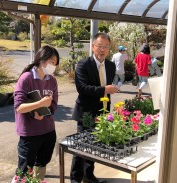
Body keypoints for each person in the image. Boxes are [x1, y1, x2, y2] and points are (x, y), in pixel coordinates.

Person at [70, 33, 118, 183]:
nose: (102, 49)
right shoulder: (83, 64)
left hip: (102, 112)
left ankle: (88, 175)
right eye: (99, 46)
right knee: (81, 147)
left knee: (94, 145)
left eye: (106, 47)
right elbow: (82, 88)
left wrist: (107, 92)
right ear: (92, 46)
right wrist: (105, 89)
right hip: (86, 112)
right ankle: (75, 179)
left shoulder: (110, 65)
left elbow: (107, 89)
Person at [12, 45, 59, 182]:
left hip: (48, 130)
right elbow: (19, 107)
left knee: (42, 163)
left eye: (55, 63)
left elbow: (53, 105)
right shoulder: (26, 78)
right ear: (41, 60)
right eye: (51, 61)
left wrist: (44, 113)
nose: (53, 65)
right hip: (30, 133)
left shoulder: (52, 80)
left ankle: (38, 180)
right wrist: (38, 107)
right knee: (25, 168)